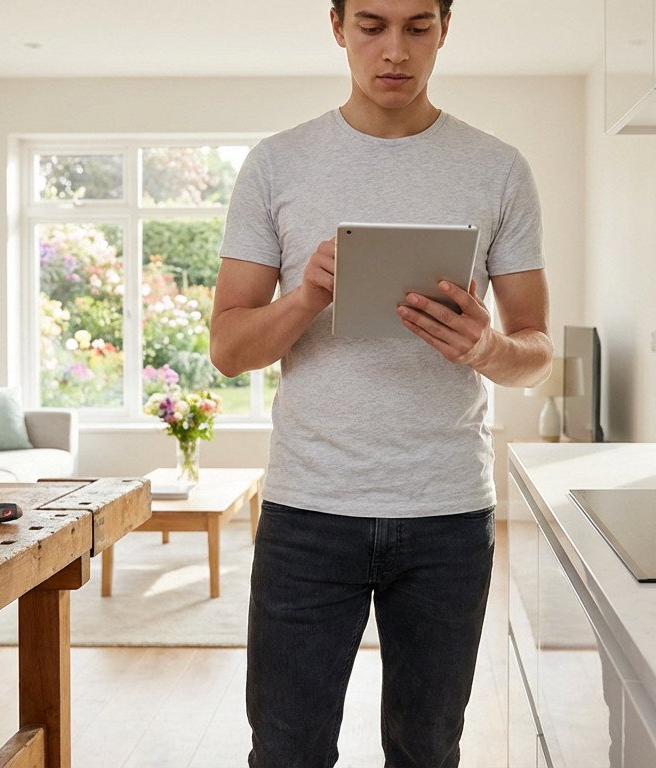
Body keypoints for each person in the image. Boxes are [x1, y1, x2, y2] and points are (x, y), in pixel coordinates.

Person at [209, 0, 552, 765]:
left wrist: (486, 346)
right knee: (288, 751)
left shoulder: (497, 168)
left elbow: (537, 352)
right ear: (337, 27)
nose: (394, 50)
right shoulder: (277, 163)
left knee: (427, 750)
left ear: (444, 28)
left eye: (416, 28)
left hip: (447, 513)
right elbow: (229, 350)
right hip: (308, 512)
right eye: (371, 26)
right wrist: (305, 297)